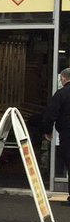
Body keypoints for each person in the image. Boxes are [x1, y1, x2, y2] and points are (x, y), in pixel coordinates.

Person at [40, 67, 70, 204]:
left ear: (64, 78)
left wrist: (47, 131)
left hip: (67, 133)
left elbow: (51, 114)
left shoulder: (61, 94)